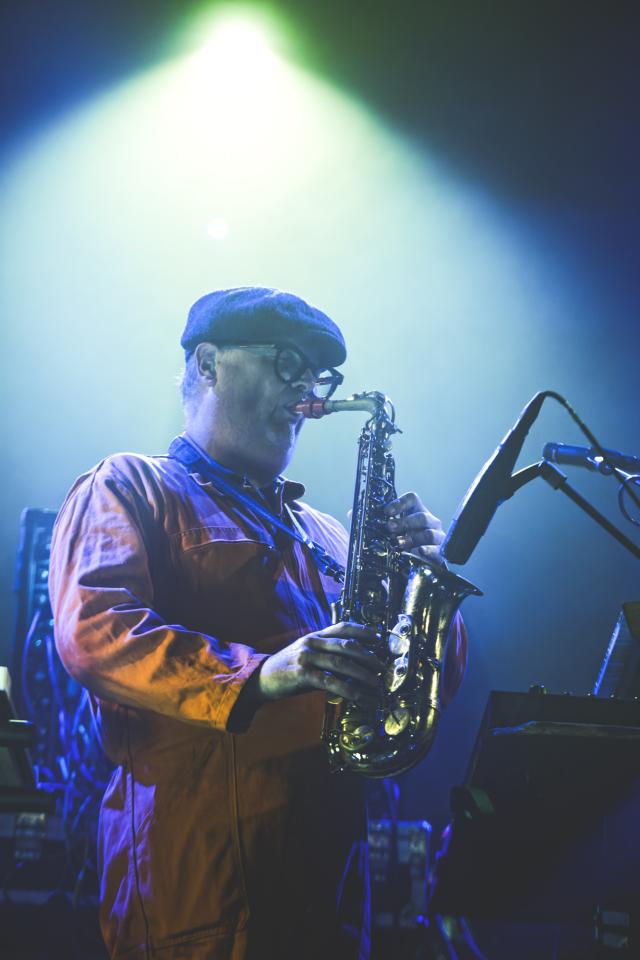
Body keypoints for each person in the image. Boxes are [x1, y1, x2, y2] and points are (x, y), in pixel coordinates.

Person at [49, 287, 468, 960]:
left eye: (317, 374)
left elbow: (418, 685)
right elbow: (95, 631)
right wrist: (261, 674)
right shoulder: (130, 484)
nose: (306, 388)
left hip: (333, 891)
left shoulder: (329, 534)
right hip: (198, 881)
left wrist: (420, 579)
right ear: (208, 363)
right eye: (286, 362)